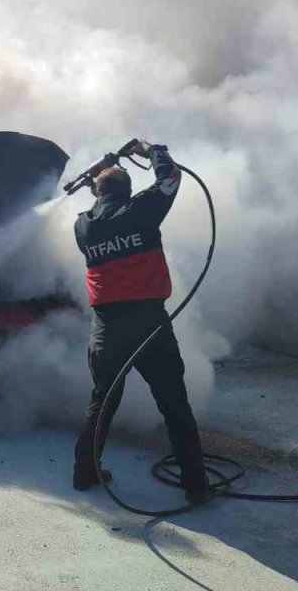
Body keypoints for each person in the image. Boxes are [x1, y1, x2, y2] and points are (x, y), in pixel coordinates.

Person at [71, 139, 209, 502]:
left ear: (98, 191)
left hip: (107, 330)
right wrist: (151, 150)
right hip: (149, 325)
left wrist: (101, 176)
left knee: (102, 402)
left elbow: (101, 206)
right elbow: (169, 178)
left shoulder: (83, 227)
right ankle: (196, 485)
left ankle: (84, 473)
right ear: (129, 190)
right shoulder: (141, 211)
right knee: (173, 402)